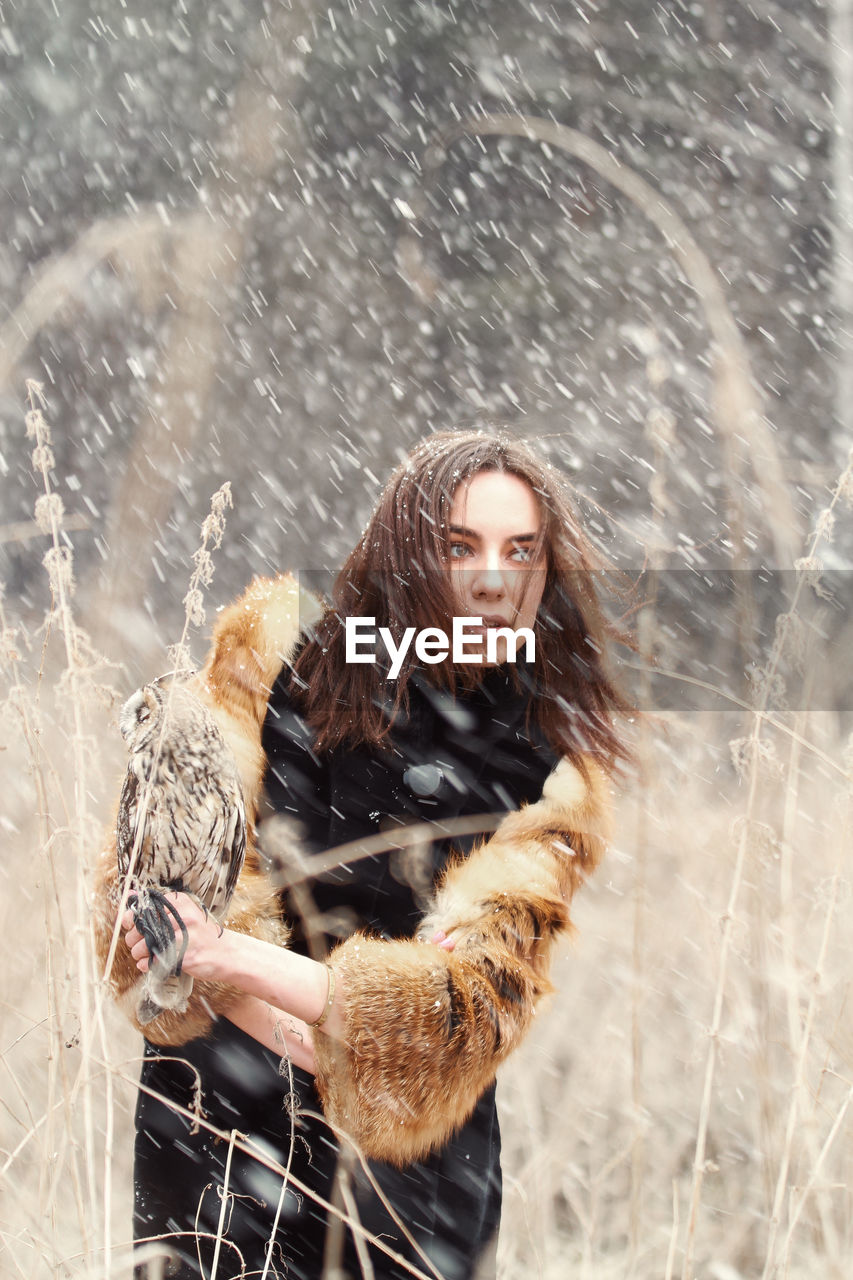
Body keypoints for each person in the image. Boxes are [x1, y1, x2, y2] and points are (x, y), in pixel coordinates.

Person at [102, 428, 631, 1280]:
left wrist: (224, 958)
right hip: (212, 1141)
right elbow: (145, 926)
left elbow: (443, 1035)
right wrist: (305, 1012)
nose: (493, 579)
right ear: (403, 554)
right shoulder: (271, 666)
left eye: (519, 551)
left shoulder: (551, 776)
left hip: (405, 1193)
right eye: (459, 547)